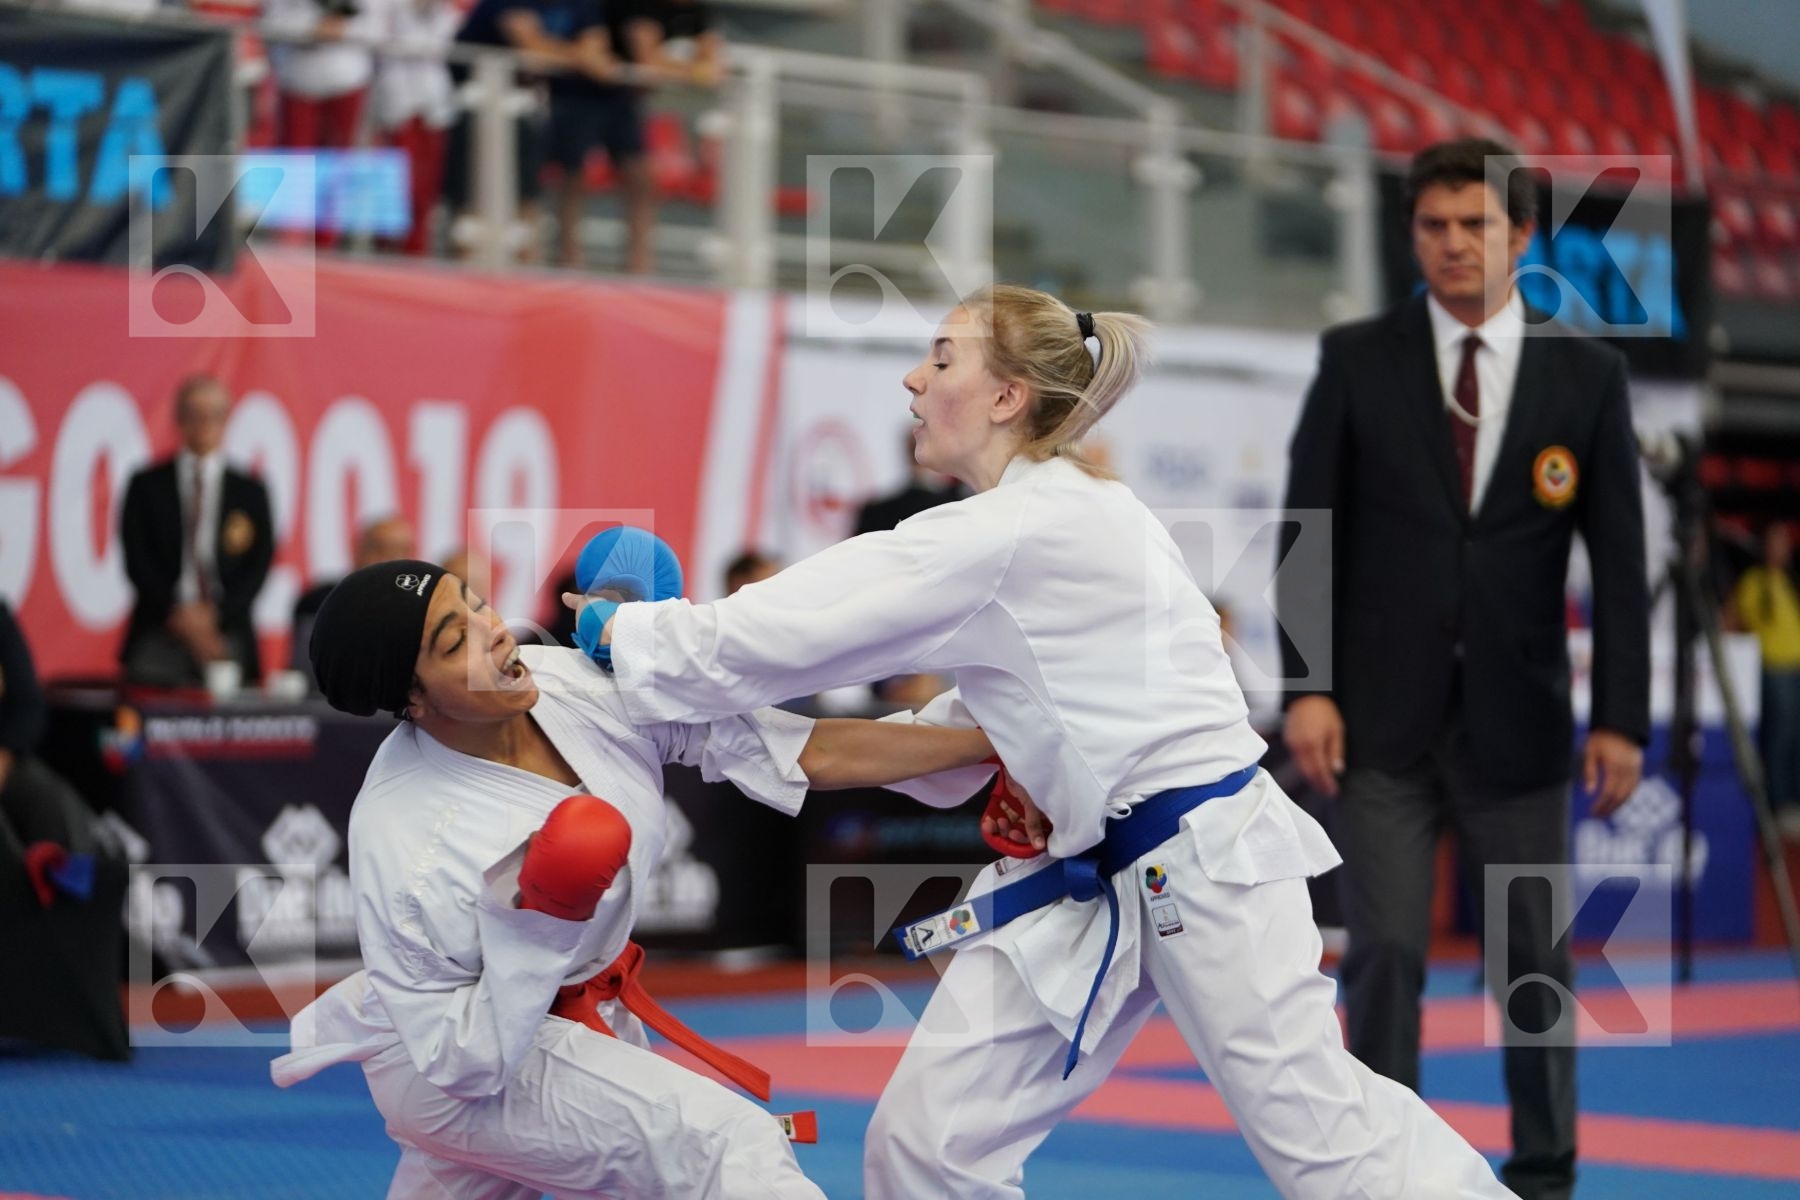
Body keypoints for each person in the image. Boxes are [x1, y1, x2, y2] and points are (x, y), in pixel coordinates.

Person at [568, 285, 1516, 1199]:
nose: (913, 381)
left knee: (1322, 1141)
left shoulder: (1018, 529)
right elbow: (924, 740)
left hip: (1205, 867)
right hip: (1091, 880)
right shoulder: (1055, 526)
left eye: (941, 358)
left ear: (1007, 396)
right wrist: (704, 724)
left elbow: (795, 624)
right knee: (927, 1145)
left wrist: (634, 638)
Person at [271, 551, 1002, 1198]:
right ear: (413, 702)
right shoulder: (410, 842)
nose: (493, 629)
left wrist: (993, 746)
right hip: (451, 1067)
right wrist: (534, 920)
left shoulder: (569, 684)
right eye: (455, 640)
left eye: (475, 601)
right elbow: (465, 1062)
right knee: (726, 1147)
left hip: (570, 1011)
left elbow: (800, 750)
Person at [1279, 138, 1650, 1200]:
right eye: (1434, 226)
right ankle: (1382, 1171)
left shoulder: (1588, 375)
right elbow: (1310, 530)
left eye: (1475, 226)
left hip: (1522, 726)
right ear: (1413, 236)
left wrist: (1620, 716)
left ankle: (1543, 1174)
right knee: (1385, 952)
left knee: (1534, 963)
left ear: (1522, 237)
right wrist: (1308, 684)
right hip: (1377, 723)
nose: (1452, 245)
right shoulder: (1357, 358)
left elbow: (1617, 558)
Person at [120, 376, 275, 689]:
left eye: (214, 414)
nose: (205, 423)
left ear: (227, 419)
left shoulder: (249, 491)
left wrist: (214, 616)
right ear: (178, 418)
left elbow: (259, 564)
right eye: (195, 413)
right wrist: (181, 615)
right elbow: (137, 558)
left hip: (227, 632)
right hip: (160, 628)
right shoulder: (147, 485)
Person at [444, 0, 617, 263]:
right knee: (471, 197)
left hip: (527, 107)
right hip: (473, 106)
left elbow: (597, 56)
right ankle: (463, 275)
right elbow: (534, 51)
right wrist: (578, 56)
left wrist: (561, 53)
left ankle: (525, 273)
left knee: (528, 196)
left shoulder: (583, 5)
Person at [1727, 521, 1800, 838]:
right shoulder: (1754, 581)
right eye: (1775, 542)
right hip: (1772, 671)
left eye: (1785, 543)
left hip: (1795, 670)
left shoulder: (1789, 580)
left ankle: (1790, 803)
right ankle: (1774, 806)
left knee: (1794, 739)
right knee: (1779, 739)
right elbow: (1730, 619)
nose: (1780, 549)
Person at [291, 515, 415, 683]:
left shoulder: (421, 609)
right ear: (357, 548)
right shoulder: (320, 601)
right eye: (380, 549)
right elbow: (310, 670)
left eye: (401, 551)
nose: (391, 559)